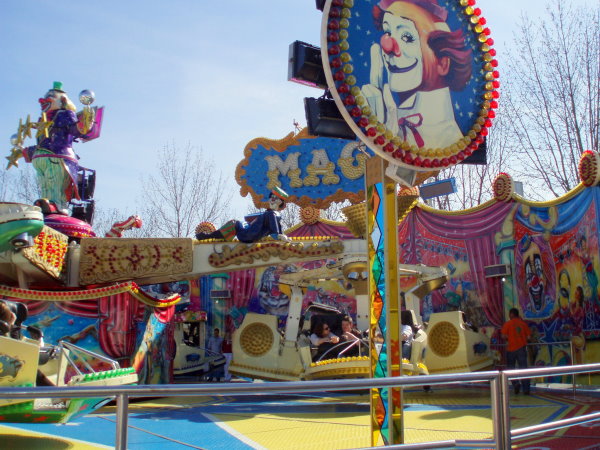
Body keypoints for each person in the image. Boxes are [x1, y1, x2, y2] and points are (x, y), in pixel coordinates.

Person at [361, 0, 472, 149]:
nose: (389, 47)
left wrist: (385, 142)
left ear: (442, 63)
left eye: (407, 37)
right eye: (388, 32)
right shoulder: (392, 119)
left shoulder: (448, 139)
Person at [18, 82, 96, 214]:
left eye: (51, 96)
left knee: (54, 183)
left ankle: (58, 205)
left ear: (63, 101)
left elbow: (76, 129)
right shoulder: (43, 121)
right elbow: (41, 143)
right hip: (42, 156)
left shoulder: (64, 115)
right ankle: (45, 202)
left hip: (58, 157)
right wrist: (25, 151)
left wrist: (86, 123)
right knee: (44, 184)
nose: (43, 100)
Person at [196, 187, 290, 243]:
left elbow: (275, 231)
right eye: (271, 197)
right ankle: (214, 236)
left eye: (275, 198)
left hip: (249, 235)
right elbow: (276, 229)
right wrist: (280, 235)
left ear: (280, 202)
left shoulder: (272, 214)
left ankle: (210, 236)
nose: (272, 200)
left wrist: (278, 235)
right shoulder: (272, 214)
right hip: (249, 234)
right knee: (236, 223)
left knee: (234, 223)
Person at [501, 308, 531, 394]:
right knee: (524, 369)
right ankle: (526, 389)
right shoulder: (523, 324)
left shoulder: (508, 324)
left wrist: (509, 338)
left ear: (511, 314)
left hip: (511, 349)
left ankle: (516, 383)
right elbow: (529, 337)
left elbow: (503, 336)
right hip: (522, 349)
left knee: (510, 368)